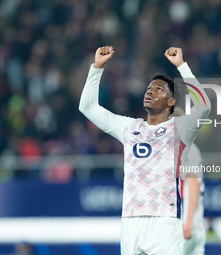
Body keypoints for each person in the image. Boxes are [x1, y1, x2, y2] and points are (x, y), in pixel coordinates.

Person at [79, 46, 210, 255]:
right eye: (149, 88)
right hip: (131, 221)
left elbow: (204, 106)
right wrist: (97, 68)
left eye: (159, 89)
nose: (150, 91)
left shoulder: (180, 129)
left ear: (171, 101)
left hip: (164, 222)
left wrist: (182, 66)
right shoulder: (129, 127)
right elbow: (88, 108)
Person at [173, 107, 206, 255]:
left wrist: (188, 222)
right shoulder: (193, 149)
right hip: (195, 225)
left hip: (185, 227)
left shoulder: (185, 149)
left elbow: (192, 182)